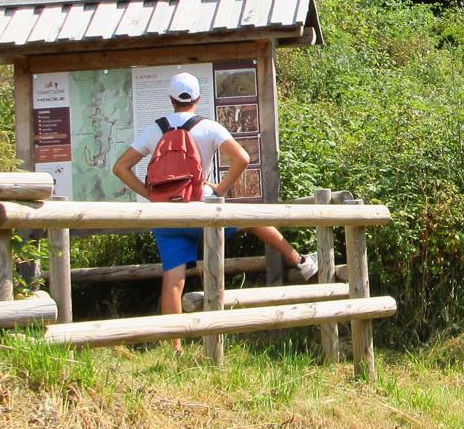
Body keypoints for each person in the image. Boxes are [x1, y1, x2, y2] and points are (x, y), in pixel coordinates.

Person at [111, 72, 318, 318]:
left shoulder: (154, 129)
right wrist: (220, 189)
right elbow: (242, 158)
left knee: (173, 280)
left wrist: (149, 194)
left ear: (171, 99)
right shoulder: (208, 127)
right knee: (256, 220)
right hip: (202, 209)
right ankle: (302, 262)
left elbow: (120, 168)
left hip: (167, 215)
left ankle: (173, 339)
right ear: (198, 98)